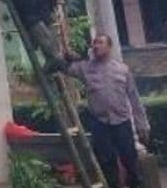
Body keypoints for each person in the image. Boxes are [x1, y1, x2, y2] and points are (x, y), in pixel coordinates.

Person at [64, 34, 150, 188]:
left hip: (122, 122)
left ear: (109, 47)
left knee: (130, 160)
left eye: (100, 43)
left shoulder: (122, 70)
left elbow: (134, 99)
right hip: (99, 123)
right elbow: (65, 68)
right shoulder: (85, 68)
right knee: (106, 162)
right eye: (94, 43)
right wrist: (69, 57)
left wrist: (142, 124)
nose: (96, 46)